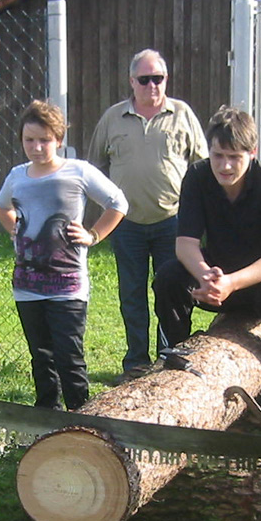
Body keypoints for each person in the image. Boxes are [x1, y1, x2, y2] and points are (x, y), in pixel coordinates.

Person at [152, 106, 261, 413]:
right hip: (216, 275)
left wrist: (231, 283)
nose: (225, 165)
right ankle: (173, 359)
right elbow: (185, 244)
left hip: (258, 281)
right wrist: (205, 275)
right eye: (218, 155)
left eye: (235, 156)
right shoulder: (196, 176)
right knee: (168, 277)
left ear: (252, 152)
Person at [0, 100, 127, 410]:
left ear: (58, 139)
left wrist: (94, 234)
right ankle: (47, 419)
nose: (37, 147)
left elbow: (118, 203)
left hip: (67, 285)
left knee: (69, 355)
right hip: (27, 284)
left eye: (44, 140)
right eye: (30, 140)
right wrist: (14, 228)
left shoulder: (77, 171)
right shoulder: (17, 176)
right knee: (41, 356)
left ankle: (81, 416)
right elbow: (1, 206)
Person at [87, 49, 207, 383]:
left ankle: (169, 357)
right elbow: (95, 167)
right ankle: (136, 362)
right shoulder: (113, 118)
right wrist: (108, 209)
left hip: (173, 222)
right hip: (127, 225)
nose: (152, 85)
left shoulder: (182, 114)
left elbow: (203, 166)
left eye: (159, 79)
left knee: (169, 291)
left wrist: (198, 215)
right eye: (145, 79)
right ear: (132, 82)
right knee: (131, 294)